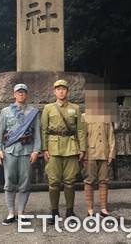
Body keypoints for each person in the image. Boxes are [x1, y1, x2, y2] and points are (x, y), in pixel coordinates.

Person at [0, 83, 41, 225]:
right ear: (14, 94)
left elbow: (37, 134)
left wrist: (36, 150)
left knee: (25, 182)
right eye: (18, 92)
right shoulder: (6, 111)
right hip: (9, 151)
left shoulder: (33, 112)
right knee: (9, 181)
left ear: (26, 94)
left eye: (23, 92)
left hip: (27, 151)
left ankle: (21, 213)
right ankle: (10, 213)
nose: (21, 94)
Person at [41, 79, 85, 223]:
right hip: (53, 148)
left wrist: (82, 148)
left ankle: (70, 212)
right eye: (58, 89)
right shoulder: (48, 108)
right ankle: (54, 212)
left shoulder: (76, 108)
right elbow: (44, 130)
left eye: (63, 89)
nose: (61, 91)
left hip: (71, 147)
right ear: (54, 92)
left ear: (68, 91)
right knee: (53, 182)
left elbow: (80, 129)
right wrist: (45, 148)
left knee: (70, 182)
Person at [82, 92, 116, 217]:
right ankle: (90, 209)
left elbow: (111, 136)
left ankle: (103, 209)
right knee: (89, 181)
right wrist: (82, 154)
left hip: (104, 153)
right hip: (90, 154)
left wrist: (111, 153)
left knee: (104, 181)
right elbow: (82, 137)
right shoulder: (84, 117)